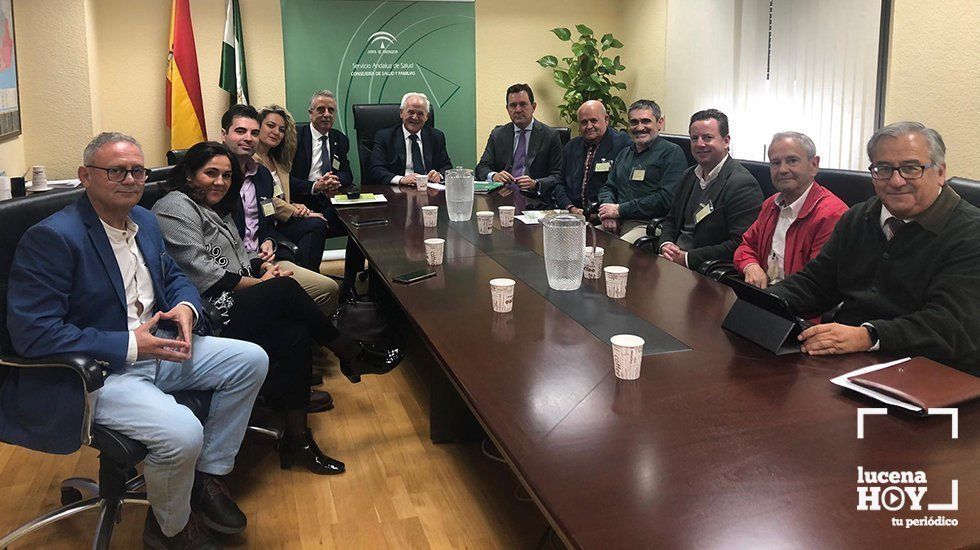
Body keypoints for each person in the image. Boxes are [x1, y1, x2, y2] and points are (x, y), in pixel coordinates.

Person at [5, 132, 269, 548]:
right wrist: (131, 344)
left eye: (137, 171)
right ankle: (171, 529)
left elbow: (175, 277)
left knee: (251, 360)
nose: (130, 180)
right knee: (183, 433)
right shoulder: (53, 238)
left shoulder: (144, 220)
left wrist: (186, 308)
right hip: (102, 371)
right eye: (116, 171)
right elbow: (34, 333)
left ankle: (206, 477)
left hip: (162, 346)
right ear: (85, 177)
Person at [153, 141, 404, 474]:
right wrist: (265, 286)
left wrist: (262, 269)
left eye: (226, 175)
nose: (220, 182)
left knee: (295, 331)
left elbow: (243, 255)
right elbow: (205, 274)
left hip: (235, 297)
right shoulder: (174, 206)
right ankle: (349, 351)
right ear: (189, 174)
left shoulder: (217, 207)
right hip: (206, 311)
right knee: (285, 290)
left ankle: (297, 439)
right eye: (210, 173)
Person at [768, 121, 980, 374]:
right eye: (883, 169)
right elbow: (817, 282)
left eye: (912, 168)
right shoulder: (859, 217)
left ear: (941, 172)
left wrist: (868, 336)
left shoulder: (970, 233)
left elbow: (950, 325)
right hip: (847, 364)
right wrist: (767, 300)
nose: (897, 181)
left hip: (932, 374)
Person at [221, 104, 334, 290]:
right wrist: (297, 211)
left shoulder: (264, 169)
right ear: (224, 134)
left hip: (263, 252)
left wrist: (268, 240)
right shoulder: (220, 179)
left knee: (327, 288)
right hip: (236, 264)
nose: (248, 138)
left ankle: (306, 274)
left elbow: (268, 209)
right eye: (241, 131)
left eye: (281, 129)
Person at [254, 104, 339, 314]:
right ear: (258, 126)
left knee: (318, 224)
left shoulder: (276, 158)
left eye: (281, 129)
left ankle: (309, 278)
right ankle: (308, 285)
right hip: (267, 226)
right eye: (270, 126)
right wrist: (295, 210)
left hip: (280, 220)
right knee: (315, 223)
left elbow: (280, 193)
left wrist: (295, 205)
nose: (276, 132)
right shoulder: (250, 161)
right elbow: (264, 199)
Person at [734, 132, 848, 288]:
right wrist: (750, 266)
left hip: (800, 307)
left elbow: (817, 283)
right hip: (764, 295)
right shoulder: (771, 205)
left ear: (814, 165)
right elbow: (745, 246)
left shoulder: (831, 215)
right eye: (775, 163)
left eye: (792, 161)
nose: (782, 170)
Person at [657, 109, 763, 272]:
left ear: (726, 141)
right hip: (672, 260)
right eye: (694, 138)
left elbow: (740, 244)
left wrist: (686, 258)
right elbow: (671, 219)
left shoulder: (742, 184)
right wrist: (666, 244)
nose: (700, 144)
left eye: (707, 137)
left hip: (705, 271)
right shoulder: (689, 175)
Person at [596, 99, 687, 242]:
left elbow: (665, 199)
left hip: (647, 225)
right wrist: (609, 213)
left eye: (646, 121)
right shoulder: (624, 153)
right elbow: (608, 187)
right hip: (618, 220)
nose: (639, 127)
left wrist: (619, 210)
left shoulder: (672, 153)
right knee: (585, 242)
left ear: (660, 123)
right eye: (634, 122)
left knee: (619, 252)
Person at [475, 83, 562, 201]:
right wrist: (494, 176)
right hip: (502, 198)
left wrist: (535, 183)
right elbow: (481, 168)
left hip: (536, 201)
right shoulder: (498, 134)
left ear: (534, 107)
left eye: (523, 104)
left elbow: (558, 175)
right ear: (507, 109)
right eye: (513, 105)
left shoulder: (550, 135)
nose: (518, 110)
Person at [552, 100, 631, 216]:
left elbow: (626, 187)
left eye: (594, 121)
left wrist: (609, 213)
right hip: (572, 214)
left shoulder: (622, 144)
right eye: (584, 122)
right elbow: (559, 183)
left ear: (606, 120)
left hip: (605, 216)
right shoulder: (571, 147)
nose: (589, 126)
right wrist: (570, 207)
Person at [367, 92, 453, 186]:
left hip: (428, 190)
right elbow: (376, 170)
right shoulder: (385, 137)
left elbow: (446, 166)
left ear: (426, 117)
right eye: (411, 112)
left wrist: (439, 175)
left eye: (420, 113)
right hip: (397, 192)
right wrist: (401, 179)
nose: (415, 117)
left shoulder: (436, 136)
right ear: (401, 113)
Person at [290, 89, 354, 202]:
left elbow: (347, 174)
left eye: (331, 110)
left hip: (331, 196)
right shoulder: (294, 137)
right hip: (303, 197)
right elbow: (285, 177)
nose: (327, 114)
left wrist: (334, 180)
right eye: (320, 110)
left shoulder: (340, 139)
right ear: (310, 113)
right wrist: (315, 186)